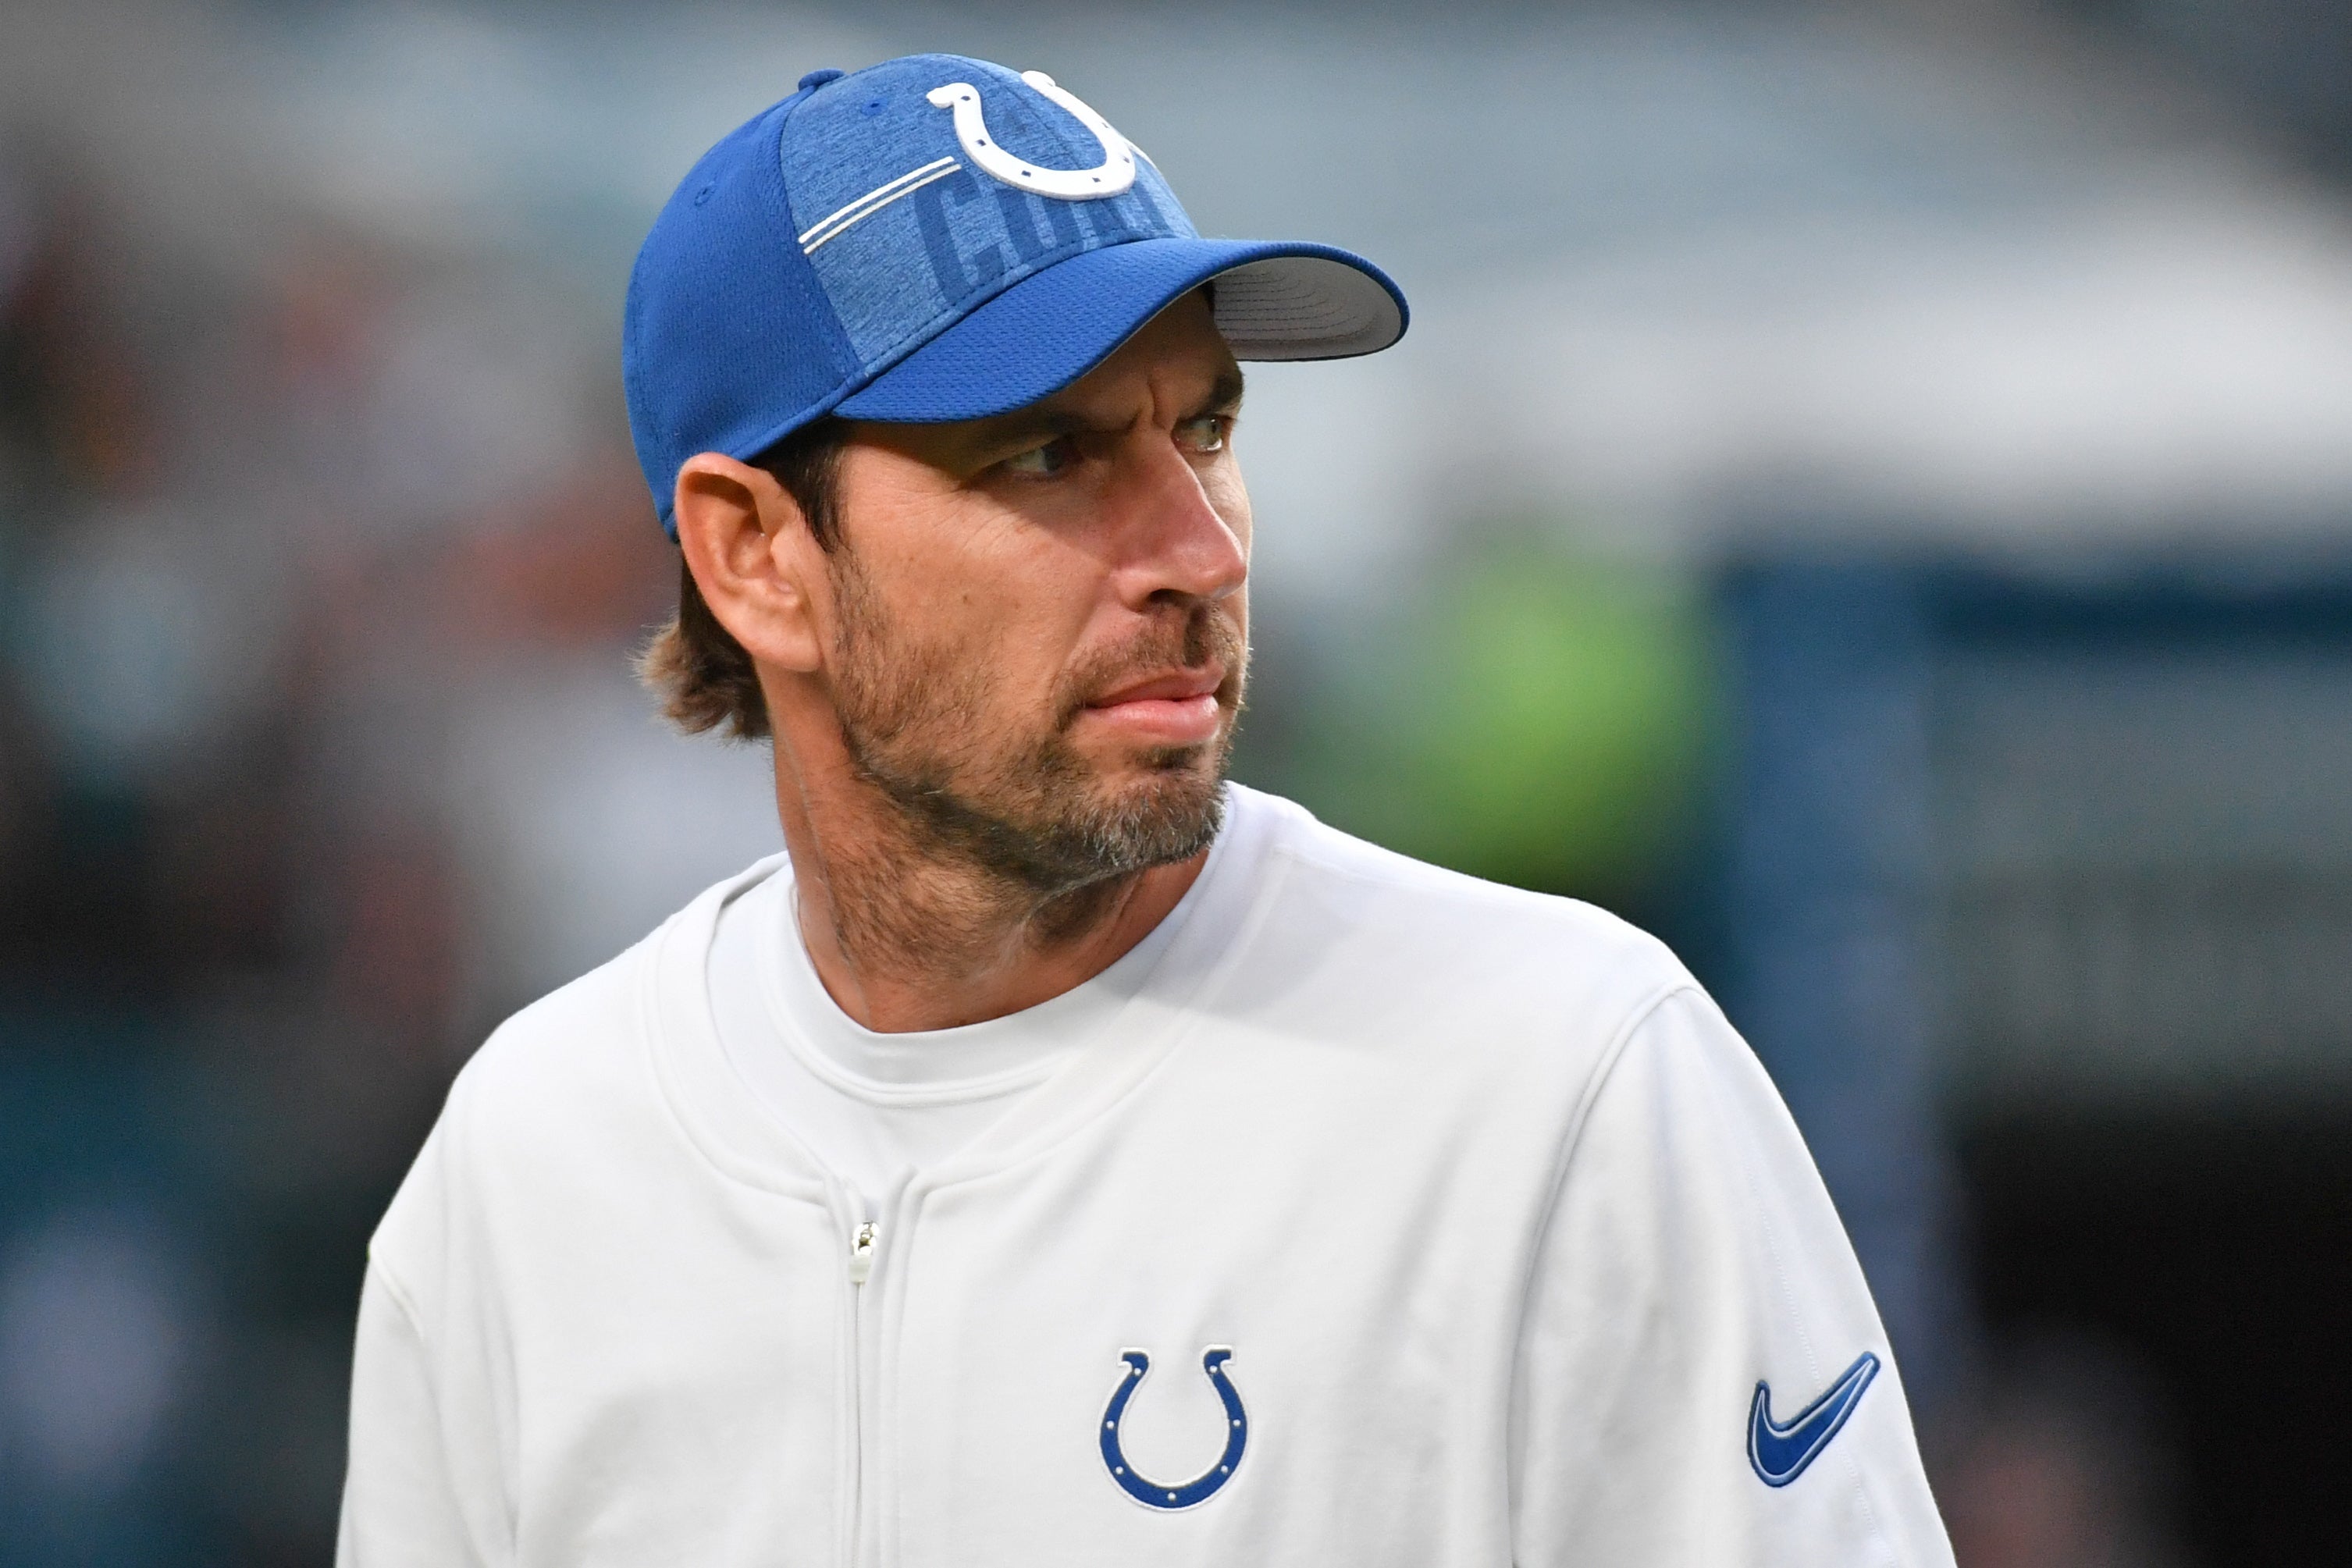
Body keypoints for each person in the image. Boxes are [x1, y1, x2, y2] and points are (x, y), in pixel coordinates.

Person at [336, 54, 1955, 1566]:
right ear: (757, 554)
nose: (1200, 546)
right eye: (1046, 453)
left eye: (1207, 429)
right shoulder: (531, 1168)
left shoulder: (1559, 1076)